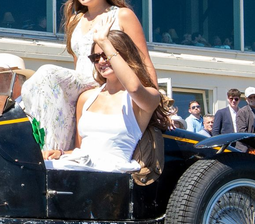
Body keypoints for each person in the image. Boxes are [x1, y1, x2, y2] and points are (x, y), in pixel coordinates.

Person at [22, 0, 157, 151]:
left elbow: (143, 60)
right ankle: (48, 149)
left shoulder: (122, 15)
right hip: (83, 87)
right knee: (34, 89)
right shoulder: (75, 21)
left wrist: (154, 98)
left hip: (110, 83)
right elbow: (78, 64)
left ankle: (49, 150)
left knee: (47, 73)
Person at [43, 22, 169, 172]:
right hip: (79, 169)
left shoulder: (146, 96)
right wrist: (61, 153)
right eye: (96, 57)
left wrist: (103, 41)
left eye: (106, 55)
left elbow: (134, 88)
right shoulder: (86, 97)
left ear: (125, 56)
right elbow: (81, 150)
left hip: (113, 176)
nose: (101, 61)